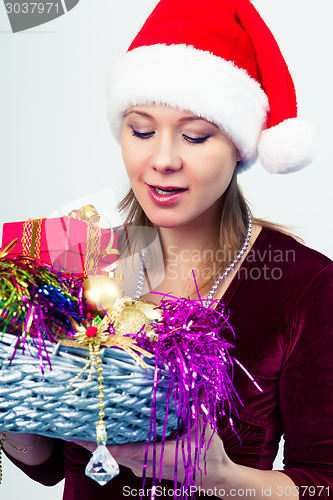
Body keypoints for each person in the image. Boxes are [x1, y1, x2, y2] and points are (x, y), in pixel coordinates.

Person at [1, 0, 333, 498]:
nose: (162, 159)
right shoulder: (75, 257)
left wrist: (221, 477)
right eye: (141, 130)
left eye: (196, 136)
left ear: (240, 147)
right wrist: (11, 405)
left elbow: (325, 483)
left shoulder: (302, 284)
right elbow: (49, 464)